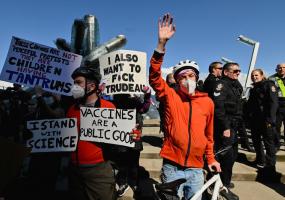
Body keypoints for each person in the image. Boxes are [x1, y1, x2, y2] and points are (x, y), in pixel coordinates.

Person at [149, 13, 221, 200]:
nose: (187, 79)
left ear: (197, 78)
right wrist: (161, 45)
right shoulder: (170, 95)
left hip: (197, 169)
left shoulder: (207, 102)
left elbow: (209, 135)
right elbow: (154, 77)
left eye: (191, 75)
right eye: (182, 76)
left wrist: (211, 158)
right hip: (172, 166)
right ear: (177, 80)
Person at [66, 66, 116, 200]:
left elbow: (117, 132)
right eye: (74, 83)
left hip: (98, 170)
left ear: (92, 85)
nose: (74, 86)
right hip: (74, 169)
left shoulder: (108, 107)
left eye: (78, 82)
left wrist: (130, 132)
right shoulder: (71, 108)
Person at [23, 86, 65, 200]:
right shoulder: (38, 110)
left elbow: (53, 115)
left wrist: (40, 97)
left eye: (51, 95)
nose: (49, 96)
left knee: (48, 181)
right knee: (35, 180)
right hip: (37, 153)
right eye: (47, 95)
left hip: (52, 155)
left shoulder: (60, 109)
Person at [111, 86, 151, 197]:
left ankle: (133, 183)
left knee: (133, 163)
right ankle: (123, 183)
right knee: (122, 163)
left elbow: (145, 108)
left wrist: (147, 94)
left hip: (133, 137)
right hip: (119, 139)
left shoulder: (134, 101)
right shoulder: (112, 103)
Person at [211, 62, 242, 200]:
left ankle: (225, 181)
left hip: (234, 126)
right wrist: (225, 127)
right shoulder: (221, 85)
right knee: (226, 156)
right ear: (225, 72)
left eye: (239, 71)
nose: (238, 73)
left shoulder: (234, 85)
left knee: (233, 155)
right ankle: (222, 184)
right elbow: (218, 108)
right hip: (225, 126)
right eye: (235, 71)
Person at [246, 69, 277, 169]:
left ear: (262, 75)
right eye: (252, 75)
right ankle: (260, 160)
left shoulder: (268, 85)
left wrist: (270, 120)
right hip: (255, 119)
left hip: (265, 119)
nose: (254, 77)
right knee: (256, 141)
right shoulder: (254, 88)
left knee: (268, 142)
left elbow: (273, 103)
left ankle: (270, 164)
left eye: (256, 75)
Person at [268, 63, 285, 150]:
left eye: (283, 67)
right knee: (276, 126)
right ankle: (276, 144)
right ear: (276, 69)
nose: (282, 69)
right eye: (279, 68)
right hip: (278, 103)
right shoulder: (271, 79)